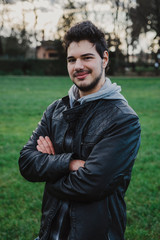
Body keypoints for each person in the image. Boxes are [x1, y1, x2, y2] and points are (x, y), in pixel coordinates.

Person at [19, 21, 141, 240]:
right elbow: (27, 162)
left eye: (87, 57)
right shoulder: (56, 109)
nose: (78, 66)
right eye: (71, 59)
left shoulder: (124, 120)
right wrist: (69, 164)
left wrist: (50, 168)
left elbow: (90, 185)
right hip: (50, 232)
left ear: (104, 59)